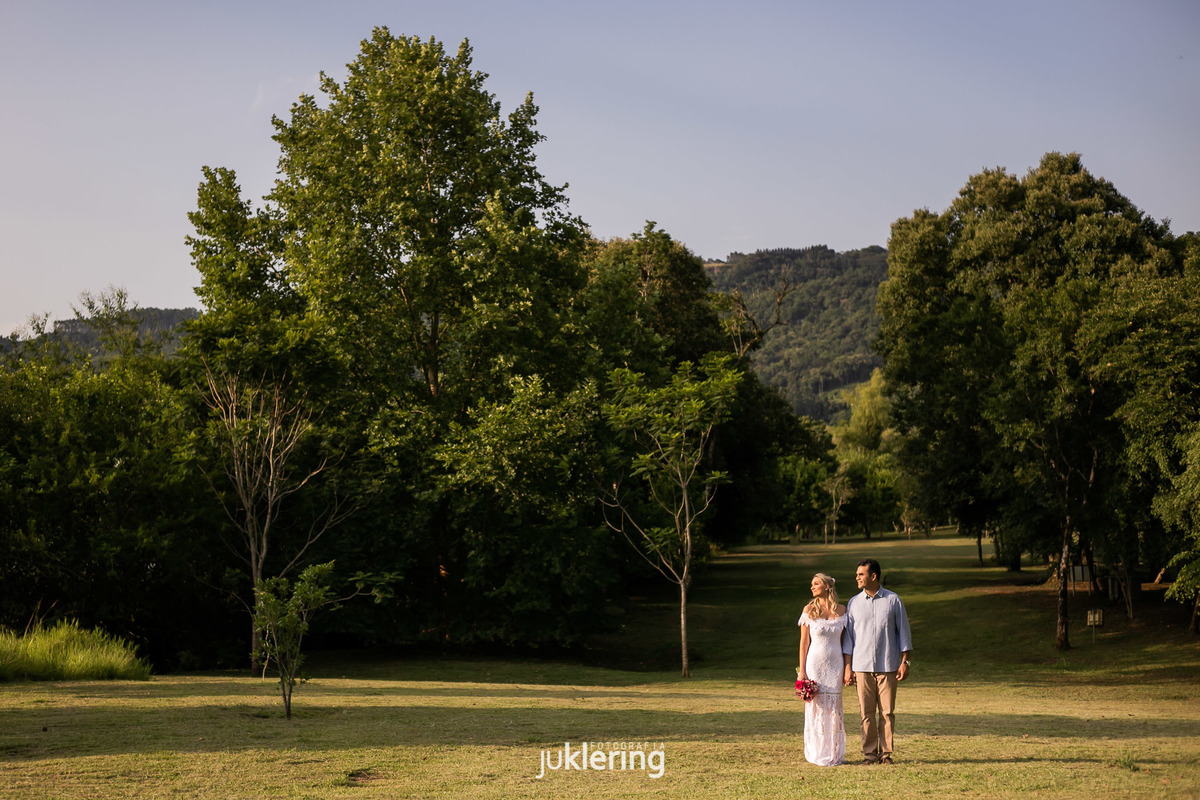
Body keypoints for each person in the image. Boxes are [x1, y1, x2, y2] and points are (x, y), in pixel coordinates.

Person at [841, 558, 912, 765]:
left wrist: (905, 662)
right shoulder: (854, 603)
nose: (857, 577)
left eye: (860, 574)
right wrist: (848, 668)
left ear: (873, 576)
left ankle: (886, 754)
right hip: (861, 667)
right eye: (857, 574)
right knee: (866, 713)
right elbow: (849, 639)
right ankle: (870, 755)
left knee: (887, 713)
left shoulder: (893, 600)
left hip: (888, 666)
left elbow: (904, 634)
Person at [797, 572, 848, 766]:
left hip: (835, 664)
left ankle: (833, 751)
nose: (812, 587)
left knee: (833, 708)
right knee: (817, 707)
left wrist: (848, 667)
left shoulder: (842, 610)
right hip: (815, 664)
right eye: (812, 584)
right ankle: (817, 752)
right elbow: (804, 643)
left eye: (816, 584)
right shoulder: (809, 610)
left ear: (827, 586)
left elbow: (845, 642)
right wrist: (802, 672)